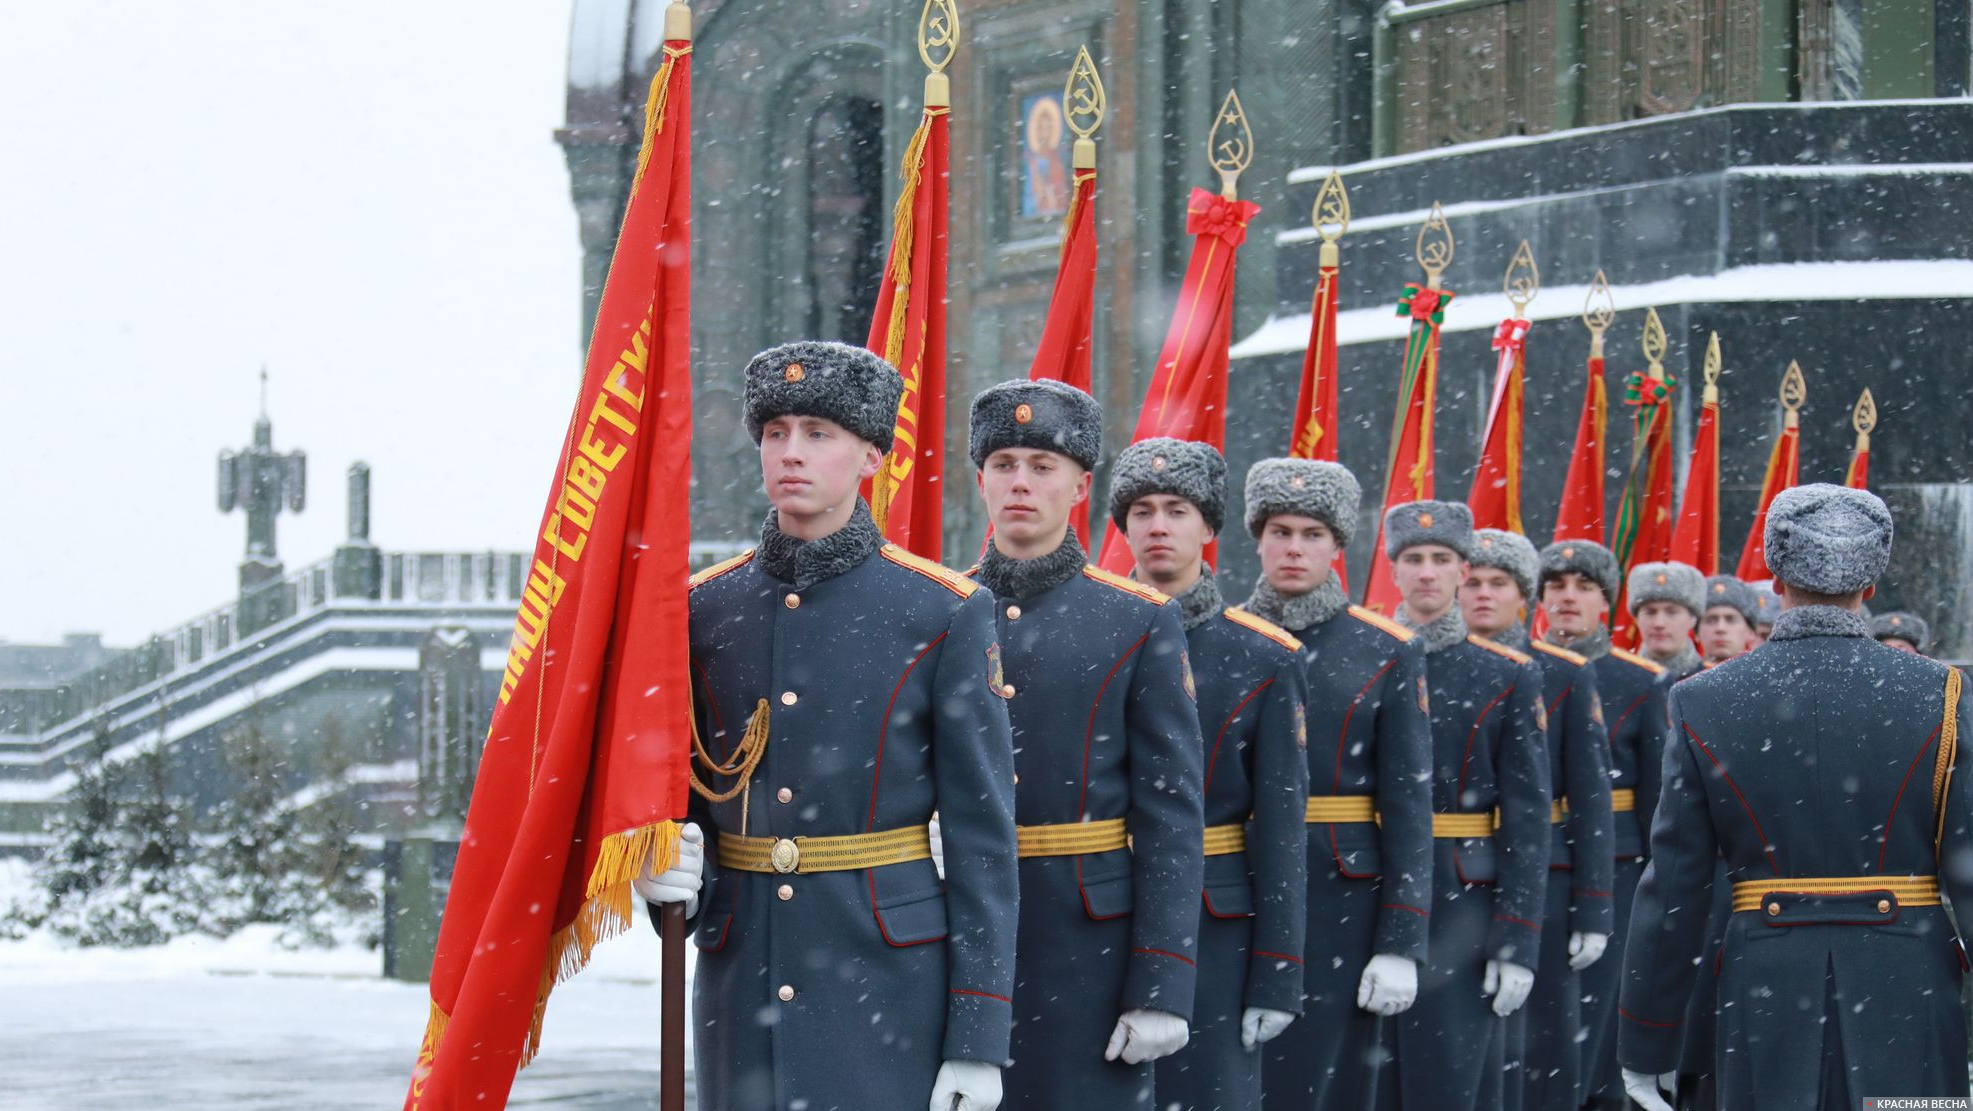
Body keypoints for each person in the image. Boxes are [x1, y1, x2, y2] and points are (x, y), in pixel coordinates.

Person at [636, 340, 1019, 1111]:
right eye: (775, 432)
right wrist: (661, 868)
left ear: (871, 454)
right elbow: (676, 786)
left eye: (818, 432)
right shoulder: (702, 608)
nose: (791, 452)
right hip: (739, 971)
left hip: (884, 974)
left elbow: (982, 838)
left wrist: (977, 1038)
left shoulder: (940, 610)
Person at [1618, 484, 1973, 1111]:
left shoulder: (1703, 698)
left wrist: (1647, 1041)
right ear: (1871, 581)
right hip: (1907, 986)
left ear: (1774, 574)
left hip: (1765, 987)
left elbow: (1674, 888)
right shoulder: (1943, 693)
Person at [965, 379, 1206, 1110]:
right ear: (980, 480)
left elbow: (1169, 814)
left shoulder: (1135, 620)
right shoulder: (937, 607)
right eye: (1003, 462)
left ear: (1078, 485)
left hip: (1087, 942)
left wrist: (1161, 981)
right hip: (956, 932)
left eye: (1042, 465)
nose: (1020, 481)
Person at [1107, 438, 1310, 1111]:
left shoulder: (1262, 655)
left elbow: (1280, 830)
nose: (1157, 525)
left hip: (1215, 927)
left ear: (1209, 527)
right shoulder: (1094, 635)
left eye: (1176, 509)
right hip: (1098, 913)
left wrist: (1277, 973)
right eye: (1140, 509)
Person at [1241, 458, 1434, 1111]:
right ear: (1256, 537)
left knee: (1324, 1083)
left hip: (1340, 897)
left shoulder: (1384, 648)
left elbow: (1408, 805)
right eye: (1279, 530)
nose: (1293, 547)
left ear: (1337, 547)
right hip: (1233, 886)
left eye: (1312, 533)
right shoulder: (1225, 636)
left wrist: (1400, 940)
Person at [1379, 501, 1549, 1111]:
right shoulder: (1364, 655)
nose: (1427, 572)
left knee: (1448, 1077)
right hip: (1367, 886)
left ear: (1462, 571)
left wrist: (1517, 940)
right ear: (1393, 570)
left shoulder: (1506, 675)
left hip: (1464, 899)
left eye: (1441, 559)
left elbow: (1528, 822)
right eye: (1414, 559)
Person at [1462, 529, 1613, 1111]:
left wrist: (1593, 905)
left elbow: (1591, 799)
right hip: (1459, 873)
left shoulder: (1566, 674)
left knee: (1541, 1036)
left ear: (1523, 596)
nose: (1482, 594)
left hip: (1542, 877)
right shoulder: (1420, 660)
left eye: (1497, 583)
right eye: (1472, 582)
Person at [1534, 538, 1669, 1111]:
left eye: (1584, 587)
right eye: (1557, 586)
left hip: (1613, 869)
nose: (1569, 598)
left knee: (1595, 1023)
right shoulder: (1520, 669)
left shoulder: (1641, 681)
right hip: (1533, 861)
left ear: (1607, 602)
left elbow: (1658, 800)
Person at [1626, 562, 1705, 680]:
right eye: (1650, 612)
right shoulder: (1618, 680)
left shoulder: (1713, 684)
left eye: (1671, 612)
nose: (1659, 623)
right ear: (1636, 619)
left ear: (1693, 619)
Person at [1697, 576, 1759, 665]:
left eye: (1731, 620)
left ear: (1750, 632)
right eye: (1710, 620)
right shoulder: (1680, 678)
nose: (1720, 628)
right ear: (1696, 633)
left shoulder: (1767, 678)